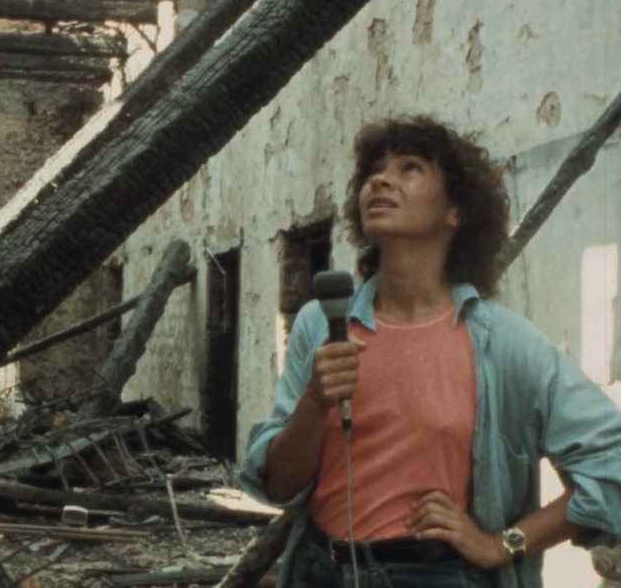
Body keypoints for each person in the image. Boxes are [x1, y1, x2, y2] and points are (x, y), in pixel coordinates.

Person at [240, 117, 621, 588]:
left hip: (436, 575)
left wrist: (502, 544)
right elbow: (278, 486)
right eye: (374, 171)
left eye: (410, 168)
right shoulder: (322, 324)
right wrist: (314, 402)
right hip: (318, 570)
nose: (380, 179)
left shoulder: (505, 344)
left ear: (456, 210)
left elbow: (611, 465)